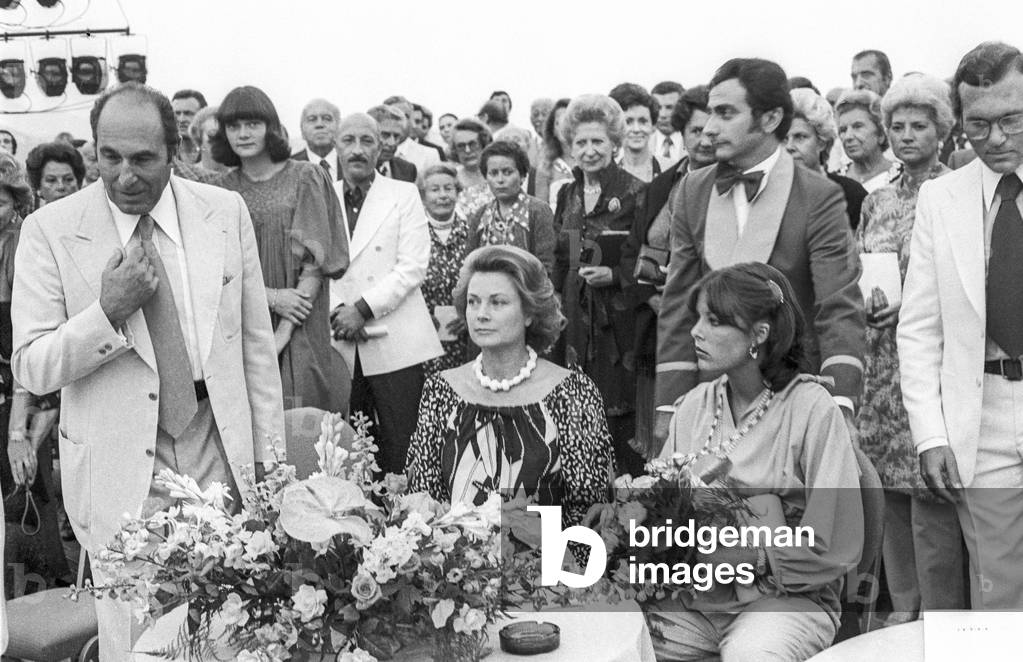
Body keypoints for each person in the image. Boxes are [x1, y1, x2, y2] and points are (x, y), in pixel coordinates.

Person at [11, 81, 285, 659]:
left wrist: (273, 472)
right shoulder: (50, 230)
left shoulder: (223, 211)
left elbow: (256, 350)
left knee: (232, 630)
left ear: (176, 151)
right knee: (139, 642)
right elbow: (32, 367)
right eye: (108, 157)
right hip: (119, 462)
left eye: (142, 160)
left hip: (216, 442)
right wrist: (107, 311)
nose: (124, 176)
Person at [649, 262, 863, 661]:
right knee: (612, 626)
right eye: (697, 318)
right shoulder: (694, 405)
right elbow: (660, 507)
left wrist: (749, 556)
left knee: (752, 653)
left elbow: (837, 543)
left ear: (759, 335)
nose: (696, 332)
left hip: (788, 601)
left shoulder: (812, 408)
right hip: (696, 598)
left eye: (714, 321)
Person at [655, 58, 865, 444]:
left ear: (770, 119)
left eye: (725, 113)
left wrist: (840, 404)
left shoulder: (819, 197)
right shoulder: (692, 190)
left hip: (795, 396)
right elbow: (678, 304)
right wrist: (669, 405)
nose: (710, 129)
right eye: (709, 114)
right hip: (711, 400)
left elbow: (839, 307)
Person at [898, 41, 1023, 610]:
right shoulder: (940, 199)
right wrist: (932, 435)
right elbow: (920, 328)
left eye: (1010, 120)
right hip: (982, 422)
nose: (994, 138)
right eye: (978, 125)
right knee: (1000, 596)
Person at [855, 73, 965, 623]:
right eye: (896, 126)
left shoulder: (956, 194)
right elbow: (860, 266)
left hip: (930, 360)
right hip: (880, 363)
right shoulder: (876, 201)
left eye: (918, 125)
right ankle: (900, 611)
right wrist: (868, 300)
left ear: (942, 130)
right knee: (887, 489)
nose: (905, 135)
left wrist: (914, 308)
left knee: (929, 492)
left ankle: (936, 613)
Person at [407, 245, 614, 528]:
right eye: (473, 302)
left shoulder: (573, 392)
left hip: (545, 565)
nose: (481, 314)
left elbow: (589, 511)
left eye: (497, 302)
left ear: (529, 312)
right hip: (457, 564)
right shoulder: (440, 390)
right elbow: (423, 500)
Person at [213, 85, 350, 413]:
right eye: (233, 126)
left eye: (252, 124)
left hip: (299, 323)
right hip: (243, 317)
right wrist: (272, 298)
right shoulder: (219, 191)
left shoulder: (306, 177)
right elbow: (219, 270)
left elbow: (315, 263)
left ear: (270, 127)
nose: (243, 134)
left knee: (300, 422)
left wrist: (282, 334)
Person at [330, 113, 443, 475]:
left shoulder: (403, 193)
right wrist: (339, 312)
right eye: (349, 141)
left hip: (395, 335)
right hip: (339, 336)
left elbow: (412, 265)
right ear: (336, 146)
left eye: (367, 141)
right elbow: (310, 262)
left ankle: (406, 525)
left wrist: (361, 310)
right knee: (344, 442)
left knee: (402, 438)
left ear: (381, 148)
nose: (358, 150)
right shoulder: (321, 195)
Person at [552, 94, 647, 475]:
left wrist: (615, 276)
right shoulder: (567, 193)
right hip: (574, 319)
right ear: (570, 146)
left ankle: (629, 509)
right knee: (576, 415)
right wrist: (556, 298)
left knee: (619, 416)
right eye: (581, 143)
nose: (589, 151)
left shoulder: (637, 193)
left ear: (614, 144)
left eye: (598, 142)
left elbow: (651, 263)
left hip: (619, 321)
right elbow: (563, 255)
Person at [619, 85, 715, 459]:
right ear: (680, 134)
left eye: (712, 131)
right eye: (696, 131)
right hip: (662, 328)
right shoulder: (661, 186)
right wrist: (659, 299)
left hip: (720, 326)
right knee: (664, 441)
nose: (705, 140)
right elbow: (632, 253)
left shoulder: (735, 186)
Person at [2, 172, 71, 589]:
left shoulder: (25, 245)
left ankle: (35, 598)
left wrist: (20, 429)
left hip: (21, 397)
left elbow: (31, 351)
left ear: (17, 204)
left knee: (28, 490)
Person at [469, 140, 555, 274]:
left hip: (528, 291)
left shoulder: (538, 211)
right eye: (493, 173)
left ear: (522, 176)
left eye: (507, 172)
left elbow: (547, 264)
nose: (500, 180)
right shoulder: (480, 215)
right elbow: (470, 263)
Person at [787, 88, 868, 229]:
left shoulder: (851, 194)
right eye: (783, 139)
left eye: (800, 137)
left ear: (822, 142)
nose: (789, 146)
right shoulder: (769, 193)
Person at [419, 164, 470, 374]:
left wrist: (467, 315)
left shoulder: (470, 231)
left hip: (464, 334)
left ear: (457, 192)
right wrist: (419, 318)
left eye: (448, 188)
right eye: (434, 190)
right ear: (423, 196)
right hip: (422, 336)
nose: (442, 196)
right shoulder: (413, 232)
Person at [836, 89, 900, 192]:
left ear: (881, 133)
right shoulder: (834, 183)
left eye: (857, 126)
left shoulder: (904, 178)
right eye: (843, 130)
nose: (848, 136)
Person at [609, 82, 661, 183]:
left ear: (653, 126)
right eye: (628, 122)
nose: (636, 129)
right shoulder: (607, 174)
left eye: (643, 121)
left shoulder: (670, 169)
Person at [383, 96, 442, 173]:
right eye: (393, 115)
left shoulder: (429, 155)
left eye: (406, 116)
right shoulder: (374, 151)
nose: (400, 120)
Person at [450, 117, 495, 219]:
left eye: (472, 144)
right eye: (461, 146)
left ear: (483, 144)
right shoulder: (452, 178)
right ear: (455, 150)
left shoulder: (497, 174)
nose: (467, 150)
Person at [534, 98, 574, 206]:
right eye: (557, 122)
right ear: (553, 130)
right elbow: (541, 213)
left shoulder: (591, 160)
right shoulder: (545, 168)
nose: (563, 126)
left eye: (568, 120)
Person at [292, 98, 343, 181]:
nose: (319, 124)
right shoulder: (289, 168)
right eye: (312, 119)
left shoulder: (352, 162)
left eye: (327, 118)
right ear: (302, 130)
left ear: (338, 126)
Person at [366, 104, 419, 183]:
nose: (392, 143)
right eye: (385, 135)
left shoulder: (408, 170)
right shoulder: (346, 168)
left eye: (396, 136)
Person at [24, 141, 85, 207]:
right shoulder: (34, 217)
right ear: (38, 187)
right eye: (51, 180)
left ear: (78, 183)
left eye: (68, 179)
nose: (61, 187)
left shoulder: (93, 215)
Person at [650, 80, 686, 170]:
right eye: (658, 107)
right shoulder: (642, 142)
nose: (662, 115)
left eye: (669, 108)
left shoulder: (693, 142)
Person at [492, 125, 538, 194]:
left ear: (527, 145)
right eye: (506, 140)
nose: (511, 143)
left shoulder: (538, 175)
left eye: (517, 139)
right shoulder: (493, 176)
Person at [188, 105, 227, 175]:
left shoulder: (242, 177)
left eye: (224, 135)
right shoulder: (188, 175)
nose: (219, 140)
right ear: (199, 138)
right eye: (212, 134)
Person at [171, 89, 207, 164]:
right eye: (177, 113)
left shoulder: (213, 153)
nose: (181, 119)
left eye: (188, 113)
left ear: (203, 116)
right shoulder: (165, 154)